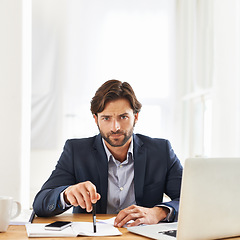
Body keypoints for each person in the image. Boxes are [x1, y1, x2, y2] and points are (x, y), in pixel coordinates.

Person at [33, 80, 183, 227]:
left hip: (142, 236)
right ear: (96, 119)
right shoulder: (76, 151)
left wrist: (158, 212)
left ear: (135, 117)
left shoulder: (161, 151)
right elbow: (40, 203)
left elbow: (190, 199)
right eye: (106, 118)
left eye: (123, 117)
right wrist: (66, 195)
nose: (115, 127)